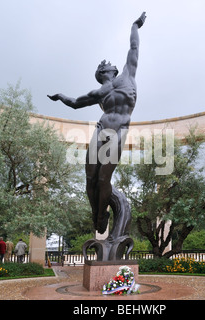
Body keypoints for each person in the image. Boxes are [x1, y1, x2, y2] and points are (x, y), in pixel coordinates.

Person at [48, 12, 146, 235]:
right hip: (101, 130)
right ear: (103, 72)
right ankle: (96, 214)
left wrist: (135, 26)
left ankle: (102, 214)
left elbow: (134, 49)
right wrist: (60, 95)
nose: (113, 64)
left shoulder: (127, 76)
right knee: (90, 177)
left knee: (103, 178)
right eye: (108, 65)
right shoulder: (98, 93)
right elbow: (74, 103)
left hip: (119, 129)